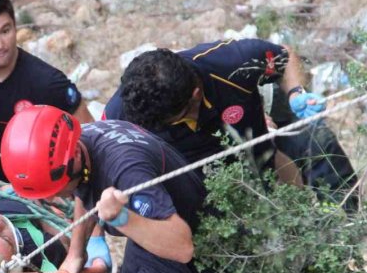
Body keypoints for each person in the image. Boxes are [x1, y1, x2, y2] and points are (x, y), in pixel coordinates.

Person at [1, 106, 230, 273]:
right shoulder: (80, 141)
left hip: (188, 261)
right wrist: (77, 251)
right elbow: (82, 190)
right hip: (147, 244)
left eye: (55, 190)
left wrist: (121, 218)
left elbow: (182, 248)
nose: (53, 198)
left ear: (74, 156)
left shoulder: (127, 170)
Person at [104, 40, 326, 175]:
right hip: (196, 178)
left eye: (178, 119)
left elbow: (285, 57)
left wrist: (296, 92)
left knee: (304, 150)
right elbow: (99, 157)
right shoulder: (123, 110)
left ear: (196, 95)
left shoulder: (230, 63)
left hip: (255, 150)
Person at [0, 0, 93, 182]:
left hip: (42, 190)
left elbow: (90, 137)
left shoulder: (47, 82)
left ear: (16, 27)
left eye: (5, 31)